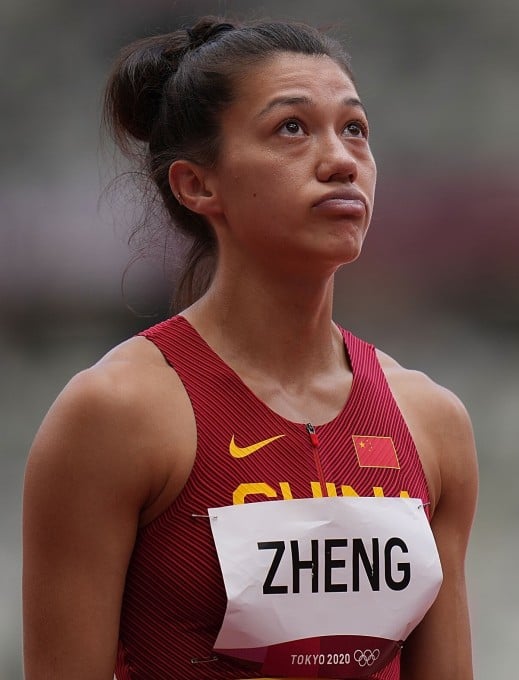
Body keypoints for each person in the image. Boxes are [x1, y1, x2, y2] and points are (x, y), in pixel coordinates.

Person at [22, 16, 478, 680]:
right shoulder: (117, 413)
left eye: (355, 129)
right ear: (197, 185)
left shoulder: (432, 423)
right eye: (291, 128)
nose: (340, 159)